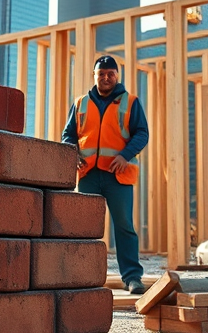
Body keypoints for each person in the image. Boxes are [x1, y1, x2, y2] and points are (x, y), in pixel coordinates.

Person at [62, 55, 150, 295]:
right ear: (95, 76)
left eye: (111, 73)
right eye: (101, 74)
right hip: (89, 174)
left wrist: (124, 155)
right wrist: (74, 153)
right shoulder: (80, 103)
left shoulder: (130, 102)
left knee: (124, 226)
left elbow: (142, 133)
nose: (106, 77)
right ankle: (83, 276)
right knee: (85, 228)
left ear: (117, 76)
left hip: (118, 175)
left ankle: (132, 278)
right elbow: (68, 134)